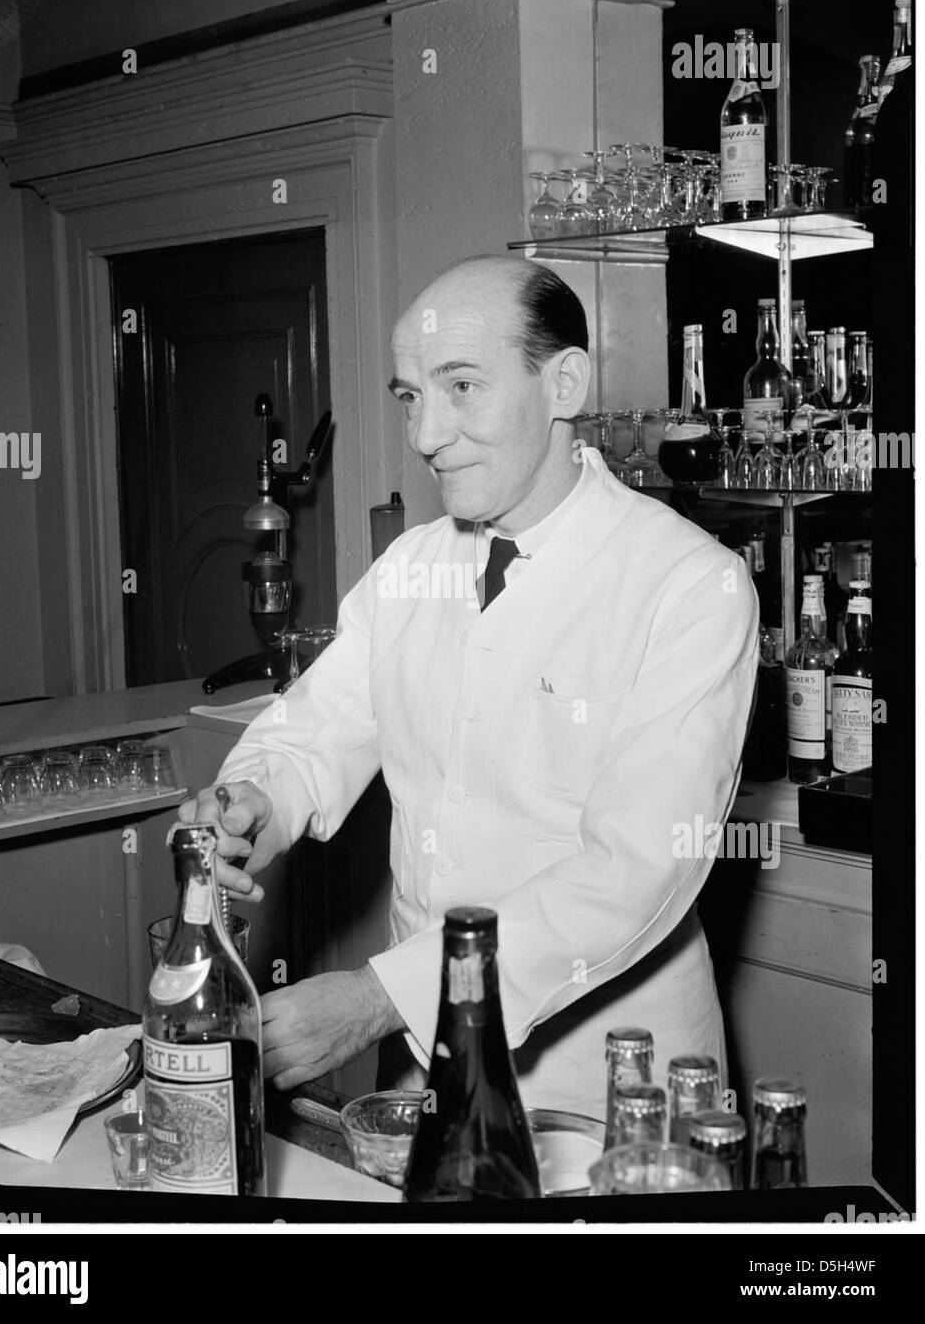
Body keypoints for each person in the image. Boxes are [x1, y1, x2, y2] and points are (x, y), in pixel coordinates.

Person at [179, 255, 759, 1119]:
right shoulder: (410, 569)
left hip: (605, 1085)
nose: (424, 436)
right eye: (411, 396)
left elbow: (634, 867)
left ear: (564, 382)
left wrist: (384, 998)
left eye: (460, 387)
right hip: (425, 1075)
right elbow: (315, 730)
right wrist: (254, 797)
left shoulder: (688, 586)